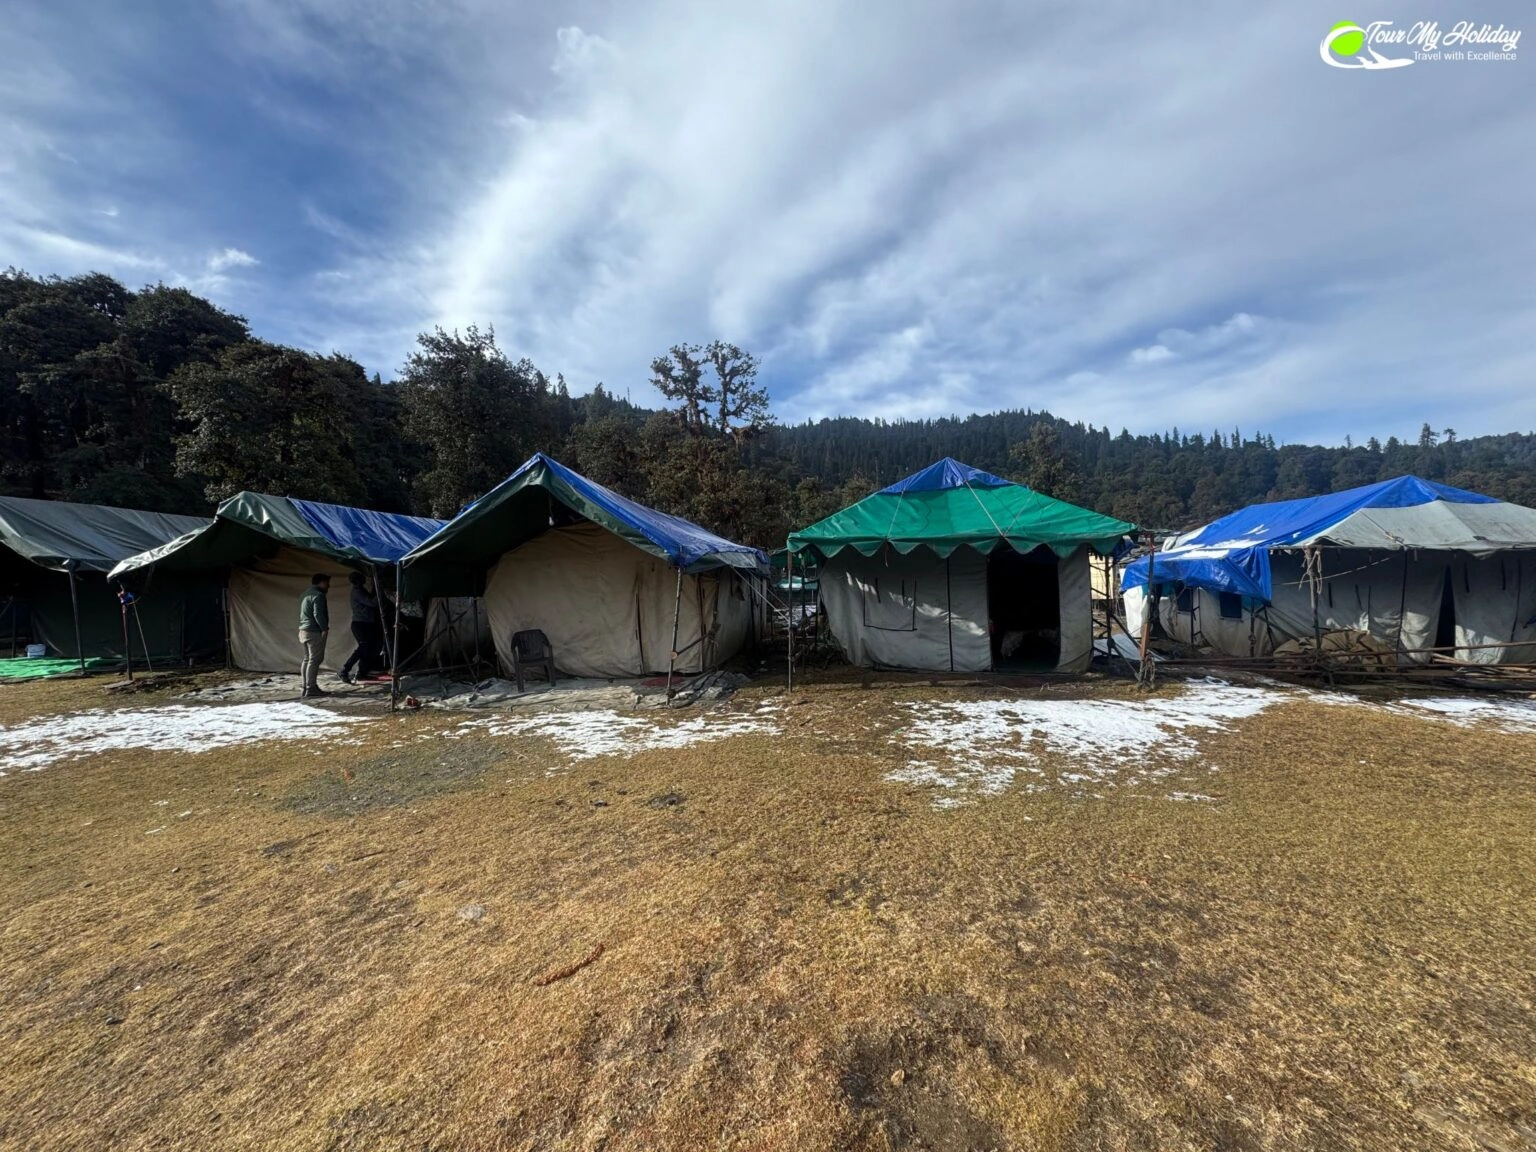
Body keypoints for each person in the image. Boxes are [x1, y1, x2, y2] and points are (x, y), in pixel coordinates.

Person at [340, 571, 380, 684]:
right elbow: (372, 603)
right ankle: (345, 670)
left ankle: (361, 674)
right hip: (360, 624)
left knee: (367, 649)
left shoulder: (361, 590)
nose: (364, 579)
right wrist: (380, 592)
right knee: (363, 647)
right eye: (362, 578)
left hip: (365, 623)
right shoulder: (357, 592)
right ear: (358, 580)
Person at [298, 573, 331, 698]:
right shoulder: (318, 595)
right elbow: (318, 614)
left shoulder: (305, 593)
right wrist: (324, 628)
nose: (329, 586)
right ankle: (311, 688)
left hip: (303, 630)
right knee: (314, 660)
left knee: (307, 659)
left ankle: (305, 685)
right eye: (327, 583)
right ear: (321, 582)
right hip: (313, 631)